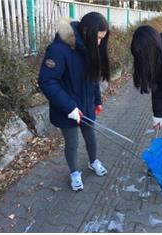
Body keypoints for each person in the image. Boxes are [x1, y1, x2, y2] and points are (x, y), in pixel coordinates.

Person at [38, 12, 110, 192]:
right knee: (72, 143)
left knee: (91, 136)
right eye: (98, 38)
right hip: (67, 108)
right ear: (87, 31)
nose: (100, 42)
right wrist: (70, 107)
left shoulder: (89, 46)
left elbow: (92, 77)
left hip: (86, 105)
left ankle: (93, 162)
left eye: (102, 38)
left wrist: (97, 99)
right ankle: (74, 173)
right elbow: (47, 81)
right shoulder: (59, 49)